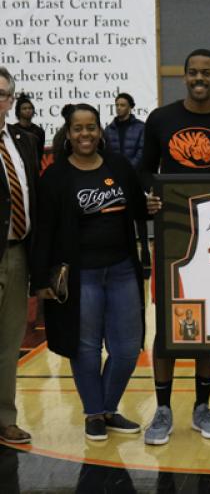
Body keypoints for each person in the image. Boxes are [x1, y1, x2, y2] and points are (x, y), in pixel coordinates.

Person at [32, 103, 161, 441]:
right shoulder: (56, 176)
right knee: (85, 348)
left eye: (91, 127)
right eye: (78, 128)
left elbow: (137, 208)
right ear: (69, 134)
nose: (85, 134)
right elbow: (44, 230)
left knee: (128, 348)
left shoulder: (118, 166)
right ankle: (94, 413)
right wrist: (40, 278)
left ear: (99, 131)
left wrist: (151, 206)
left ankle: (107, 407)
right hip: (80, 275)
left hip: (122, 270)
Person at [140, 48, 210, 445]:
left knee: (209, 321)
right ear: (183, 77)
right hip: (172, 232)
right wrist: (150, 195)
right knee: (168, 321)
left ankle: (202, 406)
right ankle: (163, 408)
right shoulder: (161, 119)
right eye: (192, 72)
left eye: (206, 73)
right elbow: (145, 169)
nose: (198, 78)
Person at [0, 67, 38, 444]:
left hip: (17, 252)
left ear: (11, 100)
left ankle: (4, 417)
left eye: (1, 94)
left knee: (10, 342)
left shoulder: (20, 140)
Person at [104, 93, 150, 276]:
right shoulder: (109, 129)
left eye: (122, 104)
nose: (119, 108)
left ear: (130, 106)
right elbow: (108, 152)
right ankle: (128, 257)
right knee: (121, 217)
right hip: (116, 179)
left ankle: (145, 252)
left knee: (140, 217)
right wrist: (118, 170)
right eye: (117, 105)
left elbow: (142, 150)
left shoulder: (140, 127)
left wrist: (128, 169)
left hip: (135, 177)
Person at [13, 93, 45, 165]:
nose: (28, 110)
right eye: (24, 108)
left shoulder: (39, 131)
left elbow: (40, 152)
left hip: (34, 168)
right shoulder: (13, 130)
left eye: (30, 108)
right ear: (18, 111)